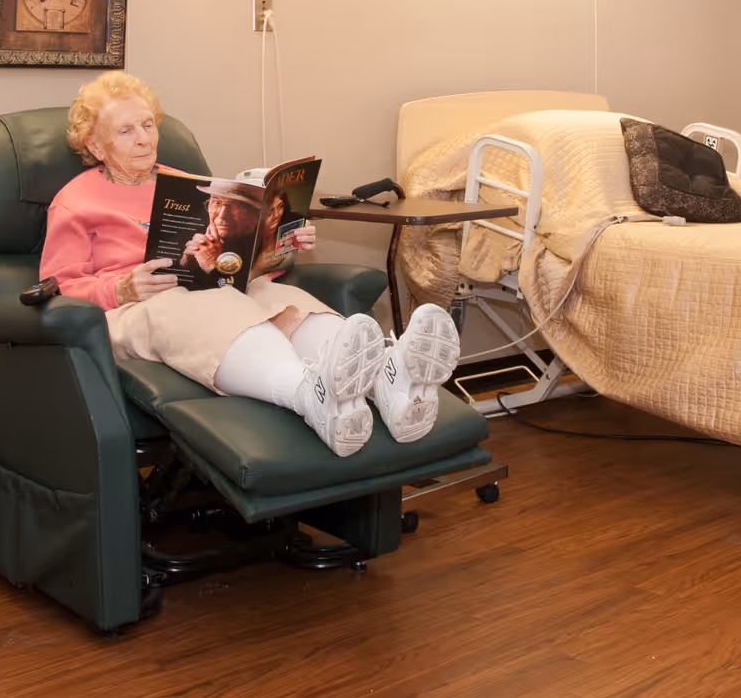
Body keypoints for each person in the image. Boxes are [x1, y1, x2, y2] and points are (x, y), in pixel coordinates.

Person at [39, 73, 460, 456]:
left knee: (280, 297)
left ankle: (392, 384)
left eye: (148, 125)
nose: (145, 139)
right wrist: (120, 289)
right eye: (126, 130)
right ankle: (308, 394)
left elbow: (234, 259)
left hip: (213, 287)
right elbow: (58, 288)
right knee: (205, 307)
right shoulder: (76, 202)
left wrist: (279, 244)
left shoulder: (184, 183)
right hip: (135, 310)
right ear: (95, 145)